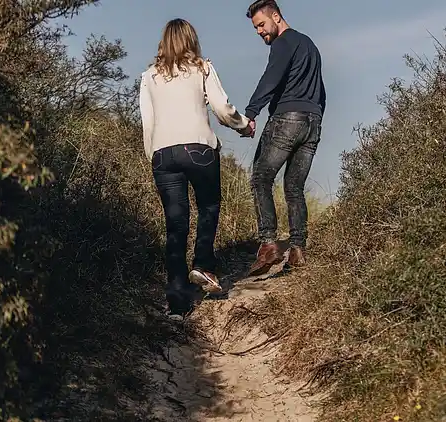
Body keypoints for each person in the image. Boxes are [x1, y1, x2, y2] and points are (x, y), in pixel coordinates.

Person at [139, 18, 252, 318]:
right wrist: (243, 126)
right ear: (191, 40)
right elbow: (222, 108)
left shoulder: (149, 77)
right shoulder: (202, 68)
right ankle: (203, 264)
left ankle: (177, 304)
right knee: (209, 206)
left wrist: (154, 157)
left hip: (163, 155)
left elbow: (148, 124)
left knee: (175, 224)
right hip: (199, 149)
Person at [243, 0, 326, 276]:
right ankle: (297, 250)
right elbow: (321, 90)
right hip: (312, 122)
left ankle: (269, 244)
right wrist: (315, 118)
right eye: (255, 28)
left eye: (261, 25)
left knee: (260, 178)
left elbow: (272, 78)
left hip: (287, 119)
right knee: (294, 188)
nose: (259, 31)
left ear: (276, 17)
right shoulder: (309, 45)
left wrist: (251, 112)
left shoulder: (283, 43)